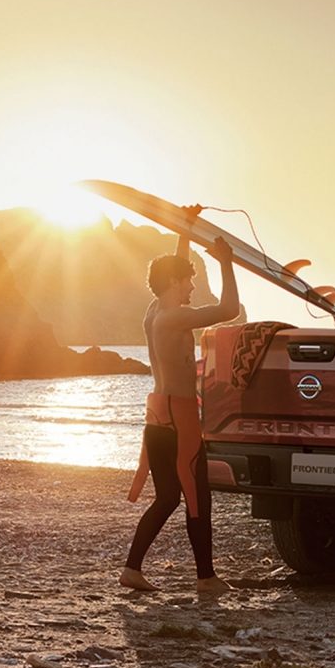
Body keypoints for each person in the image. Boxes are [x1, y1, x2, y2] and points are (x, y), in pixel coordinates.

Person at [120, 232, 238, 594]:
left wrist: (184, 233)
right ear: (173, 282)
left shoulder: (154, 312)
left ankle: (132, 570)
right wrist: (226, 262)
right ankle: (206, 578)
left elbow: (170, 276)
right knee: (198, 497)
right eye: (188, 279)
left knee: (169, 498)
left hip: (157, 417)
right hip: (179, 420)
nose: (191, 286)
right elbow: (228, 311)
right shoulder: (172, 319)